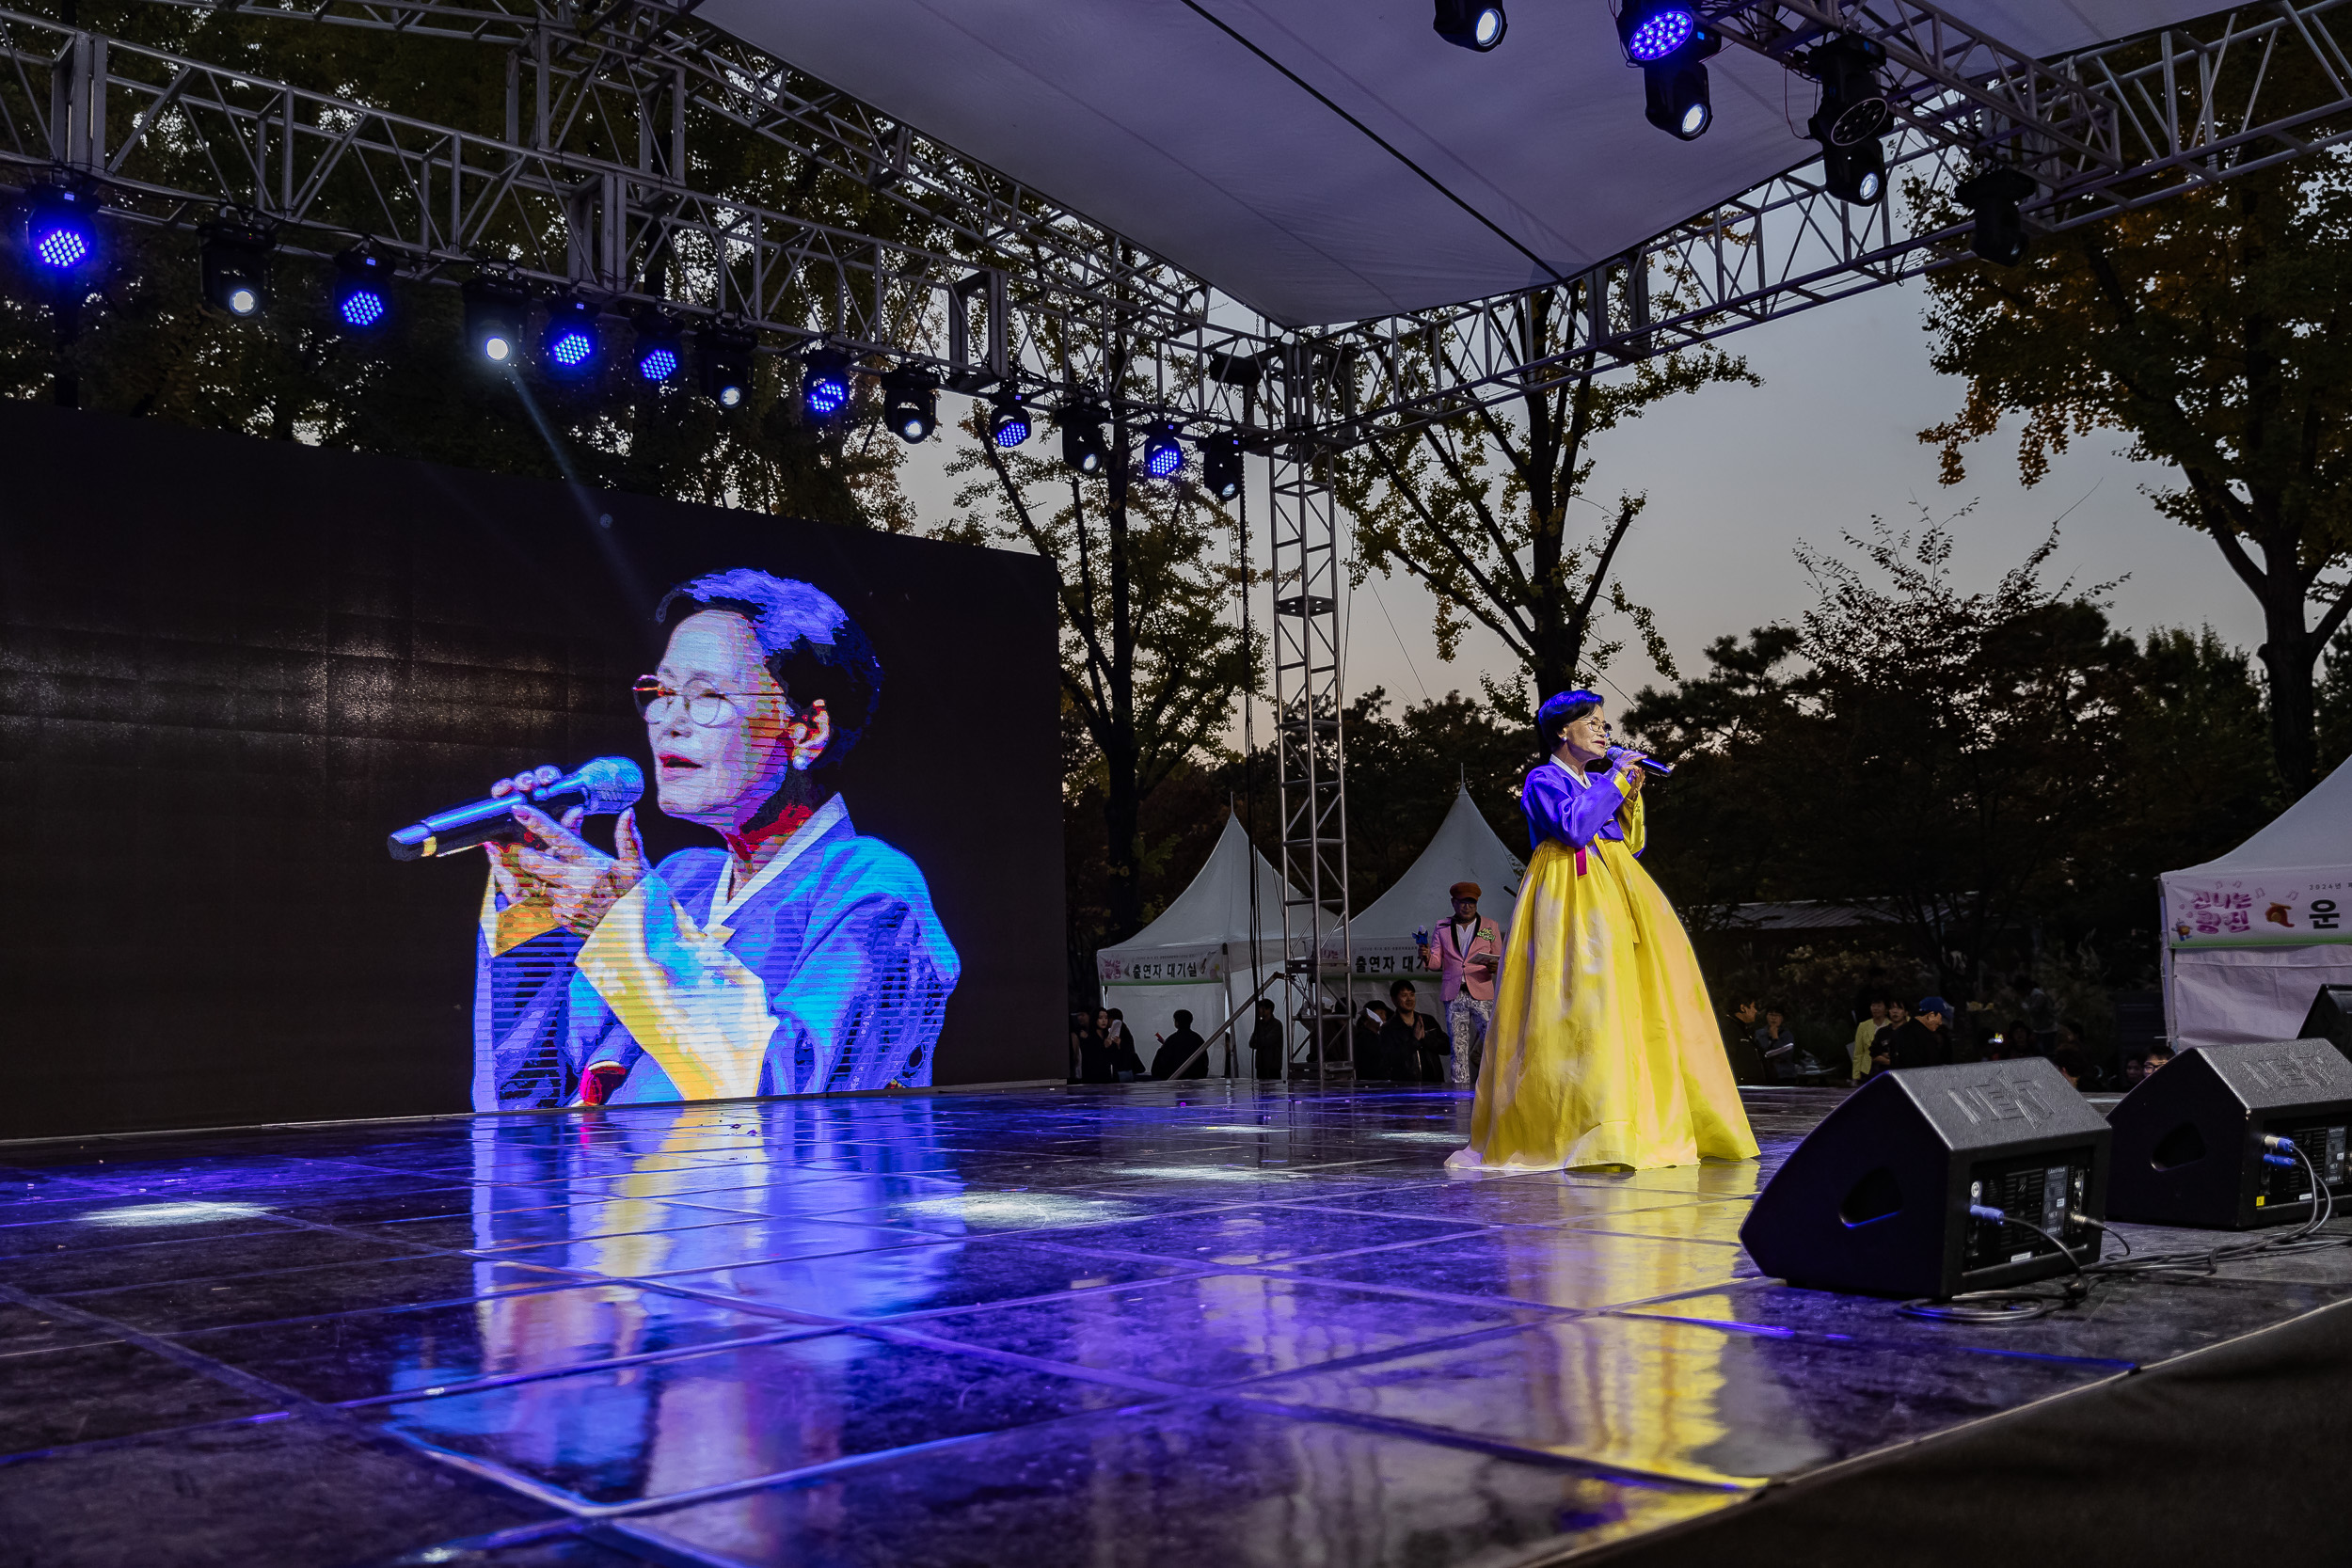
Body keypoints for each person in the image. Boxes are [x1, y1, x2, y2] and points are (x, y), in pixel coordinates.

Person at [472, 569, 959, 1110]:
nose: (668, 721)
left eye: (706, 694)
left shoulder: (874, 889)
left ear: (807, 730)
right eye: (660, 691)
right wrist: (534, 912)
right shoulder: (682, 880)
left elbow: (790, 1101)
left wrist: (632, 931)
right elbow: (527, 1098)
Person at [1448, 690, 1758, 1172]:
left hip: (1614, 888)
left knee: (1625, 1000)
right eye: (1591, 722)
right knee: (1580, 1002)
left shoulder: (1593, 780)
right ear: (1561, 731)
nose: (1602, 731)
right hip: (1570, 894)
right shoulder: (1542, 779)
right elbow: (1573, 828)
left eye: (1604, 723)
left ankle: (1632, 1121)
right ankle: (1579, 1125)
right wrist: (1614, 779)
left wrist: (1628, 793)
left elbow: (1627, 842)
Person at [1418, 882, 1503, 1086]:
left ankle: (1495, 1085)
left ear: (1476, 903)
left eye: (1471, 902)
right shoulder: (1442, 926)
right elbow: (1437, 962)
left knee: (1492, 1040)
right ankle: (1461, 1091)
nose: (1467, 906)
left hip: (1481, 990)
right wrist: (1428, 956)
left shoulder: (1489, 926)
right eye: (1462, 902)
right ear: (1453, 903)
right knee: (1458, 1046)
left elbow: (1500, 958)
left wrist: (1495, 966)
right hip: (1454, 993)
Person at [1378, 980, 1450, 1082]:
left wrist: (1426, 1038)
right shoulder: (1388, 1028)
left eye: (1412, 995)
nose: (1409, 999)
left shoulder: (1427, 1020)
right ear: (1393, 999)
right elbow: (1389, 1059)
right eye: (1404, 995)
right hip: (1406, 1087)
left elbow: (1447, 1047)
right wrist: (1414, 1041)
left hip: (1434, 1084)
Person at [1879, 995, 1955, 1071]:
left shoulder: (1903, 1032)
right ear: (1931, 1016)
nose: (1941, 1023)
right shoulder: (1915, 1035)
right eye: (1941, 1018)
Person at [1722, 998, 1771, 1085]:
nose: (1755, 1011)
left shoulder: (1744, 1029)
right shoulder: (1729, 1029)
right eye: (1753, 1007)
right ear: (1743, 1008)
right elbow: (1727, 1058)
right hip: (1741, 1087)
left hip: (1753, 1086)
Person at [1152, 1009, 1207, 1080]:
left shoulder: (1171, 1040)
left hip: (1173, 1080)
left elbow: (1161, 1064)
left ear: (1176, 1023)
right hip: (1195, 1080)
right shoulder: (1198, 1039)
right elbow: (1204, 1062)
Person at [1850, 997, 1889, 1085]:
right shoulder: (1863, 1026)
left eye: (1879, 1006)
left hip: (1887, 1067)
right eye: (1873, 1005)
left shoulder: (1892, 1025)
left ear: (1886, 1010)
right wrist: (1856, 1076)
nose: (1875, 1008)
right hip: (1867, 1070)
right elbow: (1858, 1053)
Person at [1756, 1006, 1799, 1082]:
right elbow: (1762, 1051)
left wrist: (1775, 1037)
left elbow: (1785, 1055)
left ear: (1782, 1018)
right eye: (1771, 1015)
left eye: (1777, 1015)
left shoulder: (1787, 1035)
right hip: (1766, 1075)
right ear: (1766, 1016)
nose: (1773, 1018)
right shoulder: (1759, 1034)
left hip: (1785, 1075)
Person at [1248, 999, 1286, 1082]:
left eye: (1261, 1008)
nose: (1259, 1010)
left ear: (1268, 1009)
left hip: (1272, 1066)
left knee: (1272, 1090)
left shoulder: (1276, 1024)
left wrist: (1258, 1040)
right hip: (1261, 1065)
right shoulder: (1259, 1024)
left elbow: (1267, 1041)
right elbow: (1251, 1043)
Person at [1104, 1007, 1146, 1081]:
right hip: (1128, 1070)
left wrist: (1119, 1045)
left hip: (1120, 1070)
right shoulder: (1126, 1031)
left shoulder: (1120, 1034)